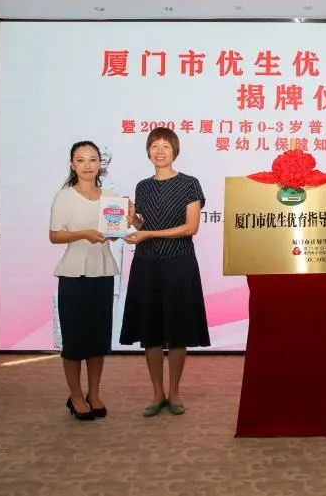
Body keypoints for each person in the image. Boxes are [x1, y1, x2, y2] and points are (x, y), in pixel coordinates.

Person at [120, 127, 210, 417]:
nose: (160, 151)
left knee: (178, 331)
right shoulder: (142, 187)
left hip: (179, 264)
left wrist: (148, 234)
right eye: (155, 146)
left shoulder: (189, 184)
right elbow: (143, 225)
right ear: (148, 151)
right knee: (151, 333)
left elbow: (190, 227)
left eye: (166, 146)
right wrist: (134, 221)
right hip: (147, 264)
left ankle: (174, 393)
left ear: (175, 151)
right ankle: (157, 392)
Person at [49, 140, 119, 421]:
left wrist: (129, 221)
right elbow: (54, 235)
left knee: (98, 339)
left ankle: (94, 393)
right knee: (75, 341)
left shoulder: (111, 197)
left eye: (92, 159)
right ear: (72, 165)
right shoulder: (64, 197)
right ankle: (76, 396)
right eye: (81, 160)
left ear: (100, 163)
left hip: (102, 272)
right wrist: (83, 233)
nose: (87, 165)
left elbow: (118, 231)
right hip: (74, 275)